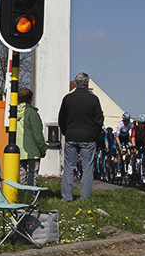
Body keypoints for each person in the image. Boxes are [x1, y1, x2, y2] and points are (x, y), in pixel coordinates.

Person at [58, 72, 104, 201]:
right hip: (88, 137)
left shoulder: (68, 98)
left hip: (71, 135)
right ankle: (85, 196)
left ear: (76, 83)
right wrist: (95, 134)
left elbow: (62, 118)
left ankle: (67, 196)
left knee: (68, 167)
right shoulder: (93, 99)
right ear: (87, 83)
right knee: (87, 168)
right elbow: (99, 120)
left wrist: (66, 132)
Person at [16, 87, 47, 186]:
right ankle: (30, 197)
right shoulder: (32, 113)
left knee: (21, 175)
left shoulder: (13, 114)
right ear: (30, 99)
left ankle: (21, 195)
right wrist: (43, 148)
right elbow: (37, 134)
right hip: (32, 151)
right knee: (32, 174)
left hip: (18, 150)